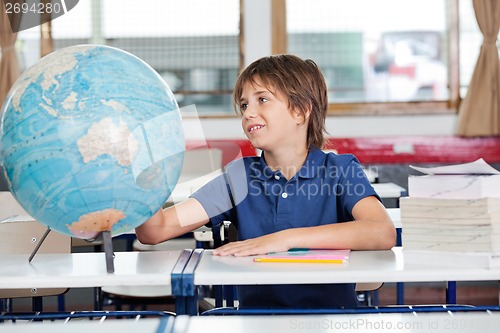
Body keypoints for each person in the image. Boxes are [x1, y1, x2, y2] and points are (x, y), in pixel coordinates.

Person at [136, 54, 396, 309]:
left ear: (300, 111)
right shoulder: (239, 177)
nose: (249, 113)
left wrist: (284, 239)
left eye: (262, 100)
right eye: (245, 105)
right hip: (257, 322)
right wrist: (141, 171)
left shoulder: (340, 169)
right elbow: (155, 231)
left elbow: (382, 232)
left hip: (332, 322)